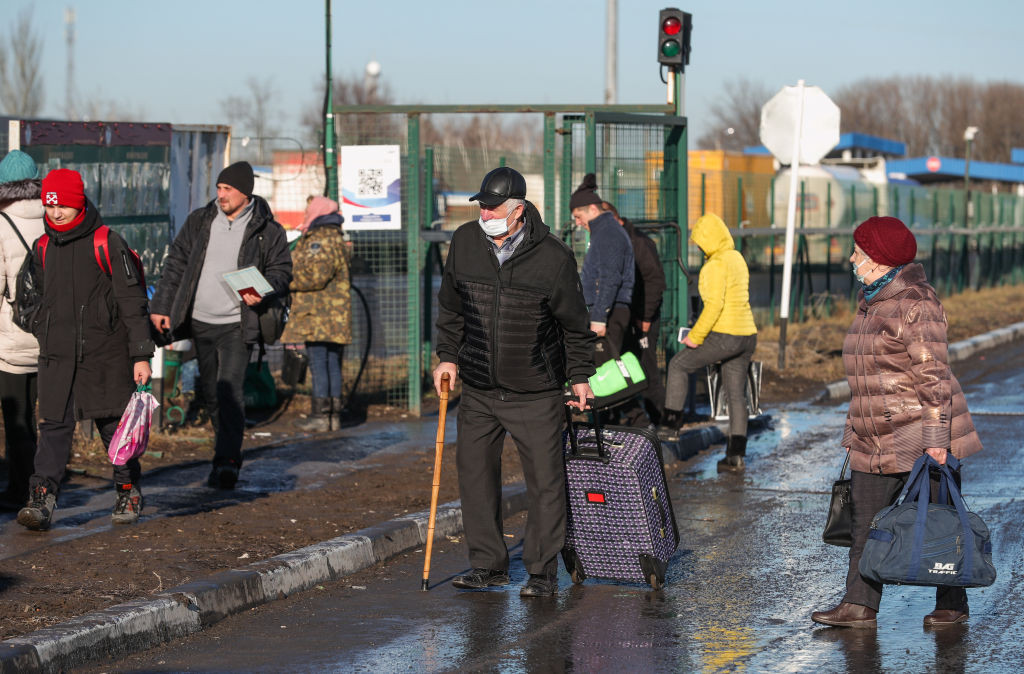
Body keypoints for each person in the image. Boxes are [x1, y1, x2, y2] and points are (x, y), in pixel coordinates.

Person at [812, 216, 983, 629]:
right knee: (863, 524)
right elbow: (869, 378)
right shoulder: (872, 300)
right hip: (874, 436)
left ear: (879, 260)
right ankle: (859, 605)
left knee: (941, 519)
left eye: (858, 252)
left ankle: (953, 603)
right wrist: (855, 431)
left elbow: (934, 377)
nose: (852, 258)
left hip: (920, 432)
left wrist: (937, 438)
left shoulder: (915, 304)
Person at [434, 166, 595, 598]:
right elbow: (450, 307)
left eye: (492, 207)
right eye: (481, 206)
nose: (484, 213)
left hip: (536, 390)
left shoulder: (554, 258)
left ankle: (541, 571)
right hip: (480, 386)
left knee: (545, 481)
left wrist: (579, 377)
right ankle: (489, 565)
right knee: (474, 475)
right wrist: (447, 357)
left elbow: (575, 327)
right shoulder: (465, 243)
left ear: (518, 210)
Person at [16, 169, 153, 530]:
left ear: (79, 203)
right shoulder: (43, 248)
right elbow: (28, 299)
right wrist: (41, 326)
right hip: (57, 358)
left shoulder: (108, 242)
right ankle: (41, 499)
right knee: (52, 430)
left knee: (114, 429)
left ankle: (127, 490)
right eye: (50, 206)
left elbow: (132, 300)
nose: (56, 214)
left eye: (63, 206)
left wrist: (141, 354)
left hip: (106, 357)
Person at [150, 161, 292, 489]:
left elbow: (282, 272)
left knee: (230, 389)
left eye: (228, 189)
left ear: (246, 193)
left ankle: (227, 460)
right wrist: (161, 307)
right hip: (200, 320)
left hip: (237, 323)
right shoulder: (200, 221)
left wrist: (264, 289)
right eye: (219, 188)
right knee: (212, 391)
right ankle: (223, 447)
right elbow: (176, 264)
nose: (221, 194)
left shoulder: (267, 230)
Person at [658, 213, 757, 472]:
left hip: (726, 335)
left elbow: (714, 307)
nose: (698, 247)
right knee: (736, 395)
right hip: (747, 334)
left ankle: (669, 428)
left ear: (708, 240)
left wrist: (695, 337)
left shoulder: (713, 265)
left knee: (678, 365)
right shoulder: (737, 258)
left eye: (700, 242)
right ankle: (735, 456)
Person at [281, 196, 352, 431]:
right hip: (331, 315)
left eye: (308, 208)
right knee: (330, 362)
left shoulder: (321, 239)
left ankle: (321, 416)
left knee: (320, 361)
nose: (305, 211)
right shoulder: (332, 236)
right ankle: (332, 415)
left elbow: (315, 276)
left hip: (320, 314)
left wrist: (285, 281)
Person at [0, 151, 44, 509]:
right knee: (47, 418)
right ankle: (44, 484)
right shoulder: (55, 220)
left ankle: (20, 491)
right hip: (50, 336)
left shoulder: (1, 225)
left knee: (18, 420)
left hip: (11, 341)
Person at [602, 200, 667, 424]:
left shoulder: (639, 242)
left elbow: (655, 281)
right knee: (621, 366)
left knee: (647, 368)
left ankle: (661, 420)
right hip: (624, 316)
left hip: (642, 317)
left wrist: (646, 317)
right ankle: (627, 418)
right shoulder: (613, 241)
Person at [570, 174, 635, 363]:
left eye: (578, 217)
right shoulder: (604, 231)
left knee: (605, 377)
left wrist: (599, 318)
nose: (577, 223)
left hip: (610, 312)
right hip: (607, 310)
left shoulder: (608, 233)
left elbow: (610, 277)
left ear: (592, 209)